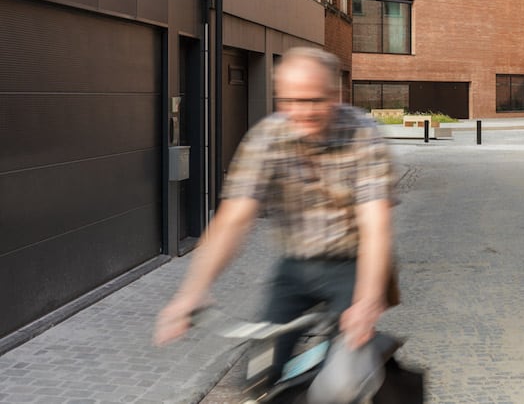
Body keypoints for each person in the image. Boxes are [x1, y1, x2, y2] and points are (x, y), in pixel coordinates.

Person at [154, 47, 396, 395]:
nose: (303, 112)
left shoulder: (363, 135)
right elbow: (233, 220)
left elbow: (376, 227)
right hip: (294, 267)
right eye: (291, 100)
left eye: (315, 100)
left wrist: (368, 299)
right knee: (260, 373)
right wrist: (191, 293)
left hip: (352, 266)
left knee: (342, 383)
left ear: (336, 95)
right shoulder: (267, 138)